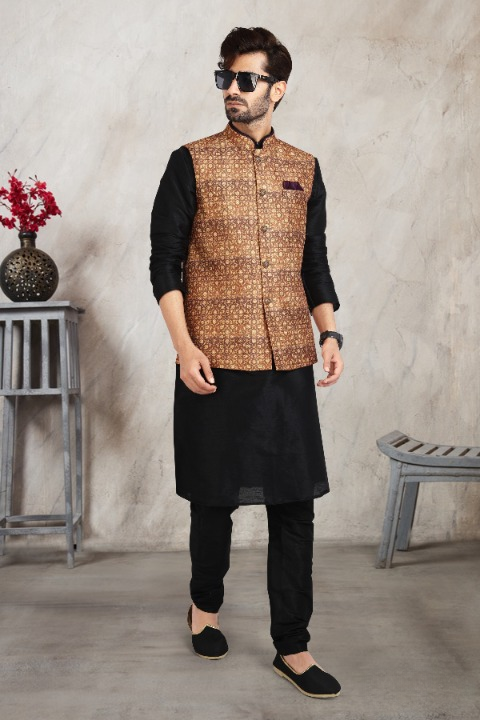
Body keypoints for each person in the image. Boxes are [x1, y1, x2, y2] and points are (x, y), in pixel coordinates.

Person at [150, 26, 344, 699]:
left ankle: (293, 645)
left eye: (246, 79)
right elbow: (164, 264)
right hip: (213, 360)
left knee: (295, 505)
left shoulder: (305, 168)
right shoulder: (190, 162)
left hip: (287, 359)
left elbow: (313, 262)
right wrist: (184, 348)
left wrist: (330, 332)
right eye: (225, 77)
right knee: (215, 498)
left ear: (277, 89)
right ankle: (204, 608)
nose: (231, 90)